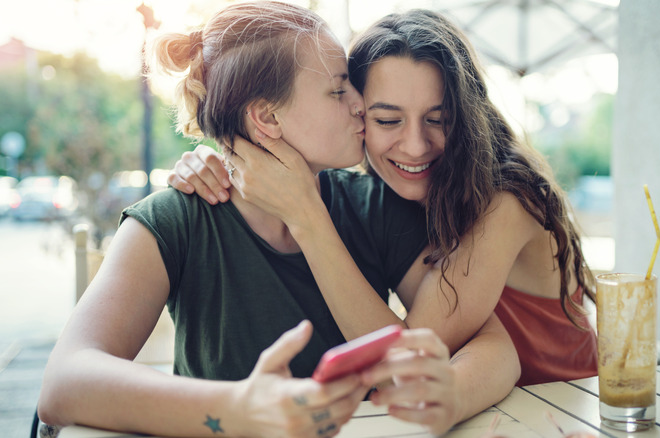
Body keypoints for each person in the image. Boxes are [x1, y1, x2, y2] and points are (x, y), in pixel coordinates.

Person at [37, 3, 519, 437]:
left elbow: (494, 349)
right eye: (337, 90)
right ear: (267, 118)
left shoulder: (373, 205)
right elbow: (62, 383)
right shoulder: (175, 220)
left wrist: (450, 392)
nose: (360, 104)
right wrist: (240, 408)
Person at [171, 8, 598, 388]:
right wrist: (216, 160)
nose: (415, 145)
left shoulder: (506, 202)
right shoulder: (382, 196)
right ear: (356, 113)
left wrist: (306, 216)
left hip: (559, 408)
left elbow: (408, 354)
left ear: (468, 119)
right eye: (387, 119)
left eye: (439, 119)